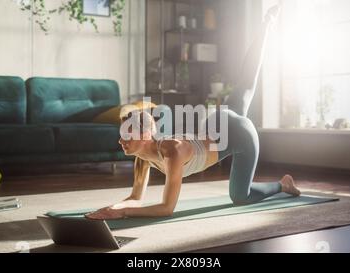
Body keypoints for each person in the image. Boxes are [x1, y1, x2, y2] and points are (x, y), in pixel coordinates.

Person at [85, 5, 300, 220]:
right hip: (217, 122)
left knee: (240, 197)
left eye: (127, 134)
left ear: (144, 135)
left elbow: (166, 209)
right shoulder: (141, 156)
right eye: (122, 134)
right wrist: (109, 209)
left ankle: (282, 185)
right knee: (246, 82)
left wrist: (122, 213)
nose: (121, 140)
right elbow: (135, 197)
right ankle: (267, 25)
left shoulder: (172, 151)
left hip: (240, 135)